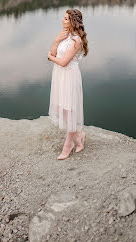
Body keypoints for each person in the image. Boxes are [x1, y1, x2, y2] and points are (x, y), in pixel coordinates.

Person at [47, 9, 88, 160]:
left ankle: (68, 144)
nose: (62, 20)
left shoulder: (76, 40)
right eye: (63, 18)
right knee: (59, 107)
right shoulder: (64, 36)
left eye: (65, 19)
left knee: (69, 110)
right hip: (59, 76)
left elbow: (63, 62)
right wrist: (56, 40)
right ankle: (79, 134)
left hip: (69, 75)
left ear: (72, 21)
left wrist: (51, 58)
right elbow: (53, 52)